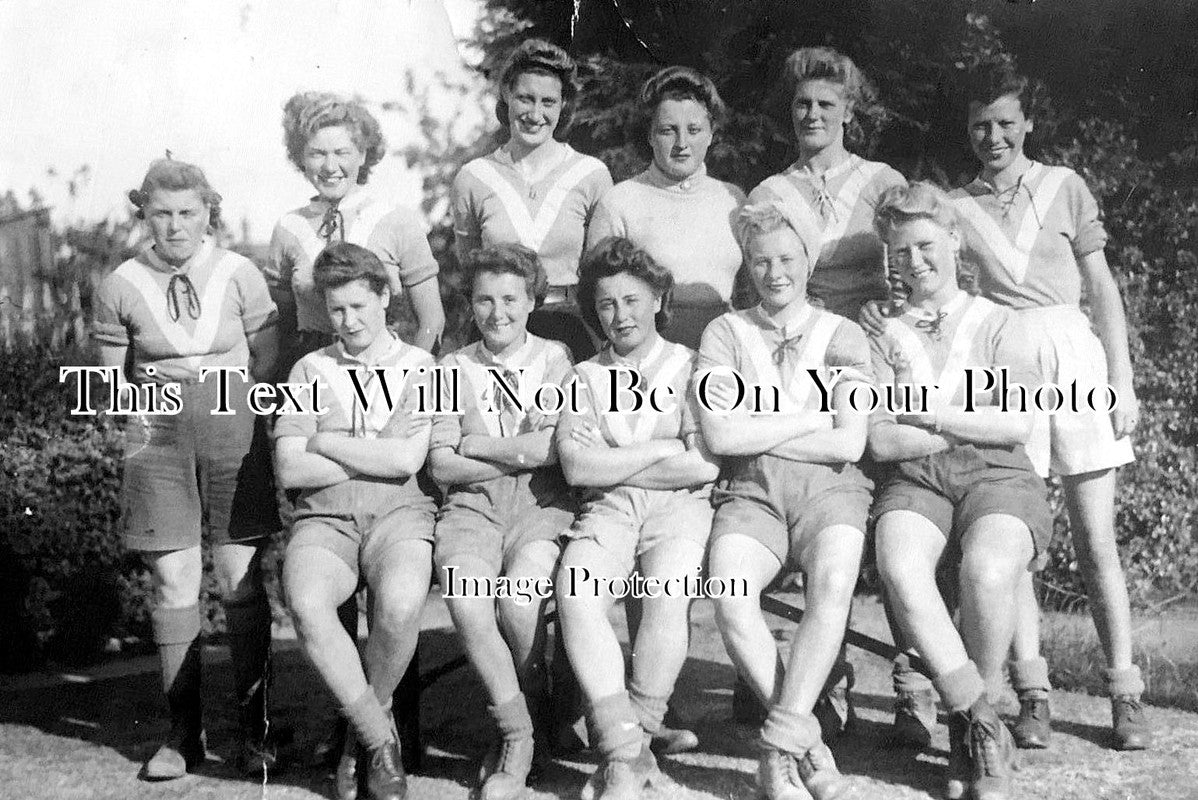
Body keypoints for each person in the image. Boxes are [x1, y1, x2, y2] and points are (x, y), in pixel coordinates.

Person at [861, 61, 1148, 751]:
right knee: (1008, 529)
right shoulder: (953, 207)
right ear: (967, 130)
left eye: (1006, 122)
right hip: (994, 364)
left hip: (1069, 355)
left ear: (1028, 123)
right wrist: (883, 311)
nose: (993, 135)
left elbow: (1101, 289)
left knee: (1093, 536)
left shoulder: (1063, 185)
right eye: (979, 125)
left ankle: (1124, 687)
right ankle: (1032, 691)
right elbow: (924, 278)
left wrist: (1122, 377)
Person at [266, 90, 445, 770]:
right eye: (317, 152)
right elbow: (290, 321)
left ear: (365, 152)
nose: (331, 163)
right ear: (300, 159)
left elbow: (427, 320)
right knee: (324, 590)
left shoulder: (395, 218)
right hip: (318, 378)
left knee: (396, 596)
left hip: (392, 383)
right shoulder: (289, 226)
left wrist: (394, 391)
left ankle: (385, 733)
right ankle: (359, 727)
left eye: (344, 150)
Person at [92, 157, 280, 779]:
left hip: (232, 424)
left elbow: (266, 358)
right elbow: (106, 379)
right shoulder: (119, 281)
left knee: (240, 579)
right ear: (143, 212)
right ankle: (182, 733)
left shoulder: (239, 271)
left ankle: (256, 733)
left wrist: (224, 382)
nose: (175, 227)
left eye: (188, 213)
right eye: (162, 213)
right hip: (159, 432)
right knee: (173, 582)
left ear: (208, 213)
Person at [868, 182, 1052, 800]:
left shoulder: (1000, 322)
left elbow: (1016, 422)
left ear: (953, 240)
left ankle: (970, 726)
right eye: (901, 252)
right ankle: (979, 721)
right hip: (917, 476)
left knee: (989, 569)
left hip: (997, 473)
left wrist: (929, 414)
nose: (915, 263)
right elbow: (881, 440)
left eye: (926, 245)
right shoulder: (879, 332)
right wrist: (943, 423)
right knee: (900, 564)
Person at [699, 202, 874, 800]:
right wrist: (806, 419)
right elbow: (722, 437)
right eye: (761, 261)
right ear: (746, 265)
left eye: (787, 259)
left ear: (808, 261)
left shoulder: (842, 333)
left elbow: (849, 439)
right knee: (729, 594)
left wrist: (762, 420)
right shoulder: (725, 332)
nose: (775, 273)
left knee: (831, 583)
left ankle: (777, 751)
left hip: (831, 489)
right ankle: (809, 743)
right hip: (751, 491)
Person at [554, 237, 720, 800]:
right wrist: (657, 450)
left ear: (657, 301)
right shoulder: (581, 376)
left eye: (632, 300)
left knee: (667, 590)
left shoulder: (691, 365)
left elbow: (703, 464)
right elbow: (577, 469)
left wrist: (615, 463)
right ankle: (626, 751)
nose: (620, 315)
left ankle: (639, 732)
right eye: (606, 305)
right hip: (608, 510)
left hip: (680, 508)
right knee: (576, 595)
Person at [275, 242, 436, 800]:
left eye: (360, 307)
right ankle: (377, 740)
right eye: (337, 310)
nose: (348, 321)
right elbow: (291, 468)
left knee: (398, 604)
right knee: (307, 601)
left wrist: (325, 438)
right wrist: (358, 447)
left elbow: (406, 460)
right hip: (326, 519)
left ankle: (360, 737)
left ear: (385, 298)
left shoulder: (420, 366)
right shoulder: (309, 368)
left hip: (401, 514)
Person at [429, 243, 575, 800]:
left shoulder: (555, 357)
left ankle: (537, 702)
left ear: (532, 300)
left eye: (511, 299)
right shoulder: (452, 367)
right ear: (470, 302)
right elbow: (442, 461)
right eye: (485, 300)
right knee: (467, 598)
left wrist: (480, 441)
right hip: (472, 508)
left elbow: (550, 452)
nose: (498, 313)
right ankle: (518, 732)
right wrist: (515, 447)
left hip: (541, 503)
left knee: (519, 600)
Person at [453, 38, 613, 361]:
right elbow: (470, 270)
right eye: (525, 99)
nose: (535, 114)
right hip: (496, 330)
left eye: (548, 102)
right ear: (507, 97)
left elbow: (601, 275)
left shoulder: (591, 174)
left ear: (562, 106)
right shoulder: (474, 177)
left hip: (569, 329)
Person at [586, 65, 745, 350]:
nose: (682, 143)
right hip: (648, 359)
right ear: (649, 135)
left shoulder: (732, 199)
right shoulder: (620, 201)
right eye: (668, 131)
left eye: (694, 130)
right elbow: (596, 296)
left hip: (724, 352)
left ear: (711, 134)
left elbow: (751, 292)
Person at [748, 46, 905, 322]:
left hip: (874, 330)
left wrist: (886, 305)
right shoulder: (768, 194)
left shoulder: (883, 182)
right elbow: (755, 287)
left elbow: (911, 271)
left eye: (826, 104)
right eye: (803, 104)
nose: (812, 114)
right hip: (799, 336)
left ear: (847, 112)